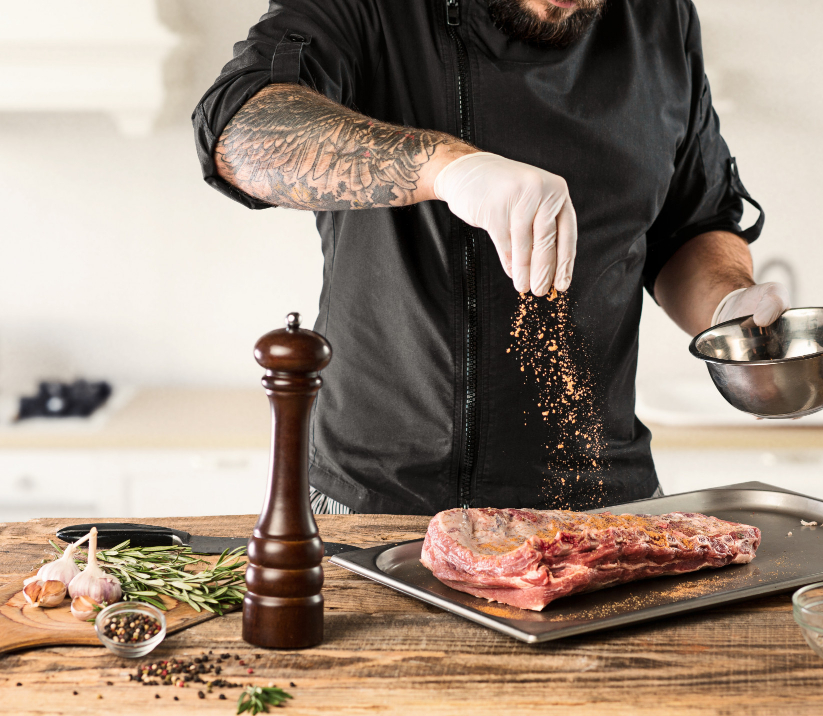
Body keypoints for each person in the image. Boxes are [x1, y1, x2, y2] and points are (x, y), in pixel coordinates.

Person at [193, 0, 790, 515]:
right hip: (379, 503)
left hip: (605, 499)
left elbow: (690, 224)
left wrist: (727, 306)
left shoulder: (660, 18)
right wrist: (447, 169)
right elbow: (241, 132)